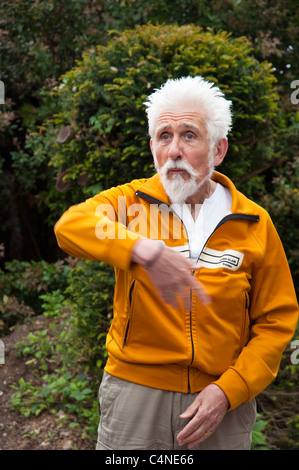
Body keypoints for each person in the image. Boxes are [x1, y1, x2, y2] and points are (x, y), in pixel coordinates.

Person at [54, 76, 298, 450]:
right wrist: (141, 250)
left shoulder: (254, 221)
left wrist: (230, 389)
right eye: (164, 136)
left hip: (220, 403)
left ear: (218, 150)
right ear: (152, 147)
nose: (174, 151)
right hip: (136, 397)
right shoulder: (130, 204)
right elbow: (71, 227)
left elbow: (277, 322)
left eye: (189, 135)